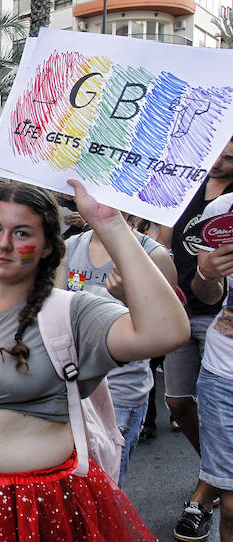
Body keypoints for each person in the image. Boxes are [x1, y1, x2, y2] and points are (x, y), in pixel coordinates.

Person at [0, 181, 190, 541]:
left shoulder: (74, 313)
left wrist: (110, 224)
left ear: (48, 247)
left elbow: (166, 332)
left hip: (38, 507)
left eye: (23, 233)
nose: (3, 244)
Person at [61, 218, 176, 487]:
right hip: (74, 389)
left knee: (107, 492)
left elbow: (168, 334)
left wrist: (129, 297)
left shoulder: (153, 255)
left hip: (120, 393)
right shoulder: (68, 247)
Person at [157, 138, 233, 541]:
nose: (220, 161)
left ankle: (206, 492)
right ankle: (220, 472)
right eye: (217, 152)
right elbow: (161, 240)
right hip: (180, 307)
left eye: (230, 157)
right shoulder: (184, 187)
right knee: (178, 402)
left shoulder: (228, 202)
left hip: (214, 318)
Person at [189, 191, 233, 542]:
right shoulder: (223, 211)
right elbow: (207, 295)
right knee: (232, 505)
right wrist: (207, 274)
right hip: (224, 374)